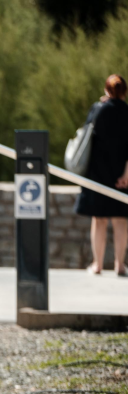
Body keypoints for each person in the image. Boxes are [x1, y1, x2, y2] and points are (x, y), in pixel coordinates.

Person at [75, 74, 128, 276]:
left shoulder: (98, 109)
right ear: (124, 92)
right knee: (120, 220)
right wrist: (127, 172)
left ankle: (97, 265)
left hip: (98, 172)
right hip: (121, 173)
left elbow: (87, 136)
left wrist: (100, 103)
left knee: (99, 219)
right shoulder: (127, 112)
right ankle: (120, 265)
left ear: (107, 90)